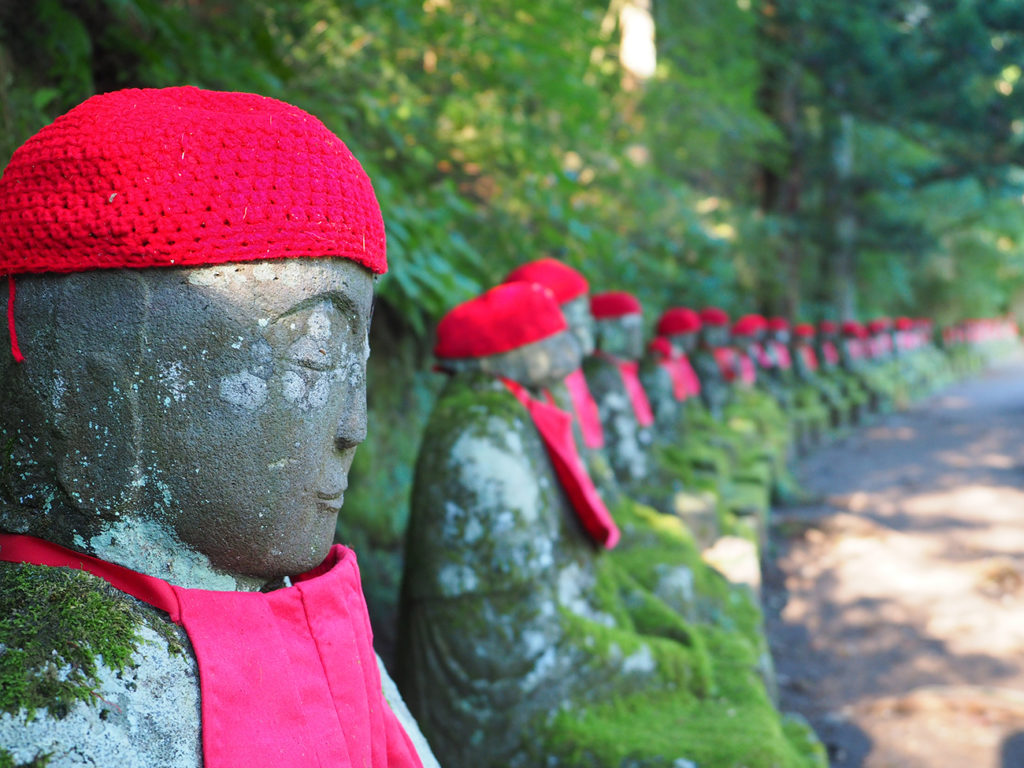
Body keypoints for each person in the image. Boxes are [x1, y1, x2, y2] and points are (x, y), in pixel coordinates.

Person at [0, 86, 434, 768]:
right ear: (100, 400)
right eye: (316, 355)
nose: (356, 427)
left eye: (361, 362)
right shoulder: (57, 692)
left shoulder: (322, 617)